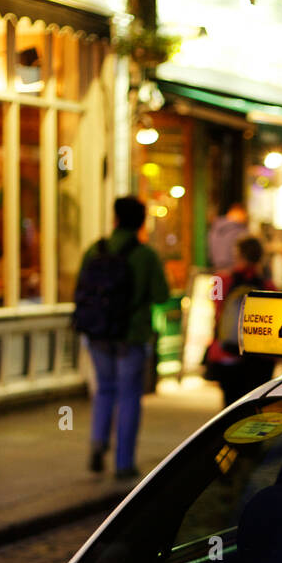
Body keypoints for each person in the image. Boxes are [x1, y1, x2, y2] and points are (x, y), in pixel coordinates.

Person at [77, 196, 169, 479]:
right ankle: (123, 462)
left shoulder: (95, 249)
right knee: (129, 396)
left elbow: (81, 288)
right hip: (131, 335)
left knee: (104, 389)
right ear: (141, 222)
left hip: (98, 333)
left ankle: (97, 442)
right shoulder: (146, 255)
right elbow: (161, 296)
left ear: (115, 218)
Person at [206, 236, 276, 407]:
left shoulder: (221, 281)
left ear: (237, 255)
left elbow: (215, 307)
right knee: (254, 407)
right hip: (260, 357)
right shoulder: (269, 286)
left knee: (230, 406)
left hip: (228, 353)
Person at [208, 202, 249, 272]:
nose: (245, 217)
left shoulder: (216, 227)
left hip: (217, 268)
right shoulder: (240, 231)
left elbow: (211, 250)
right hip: (233, 270)